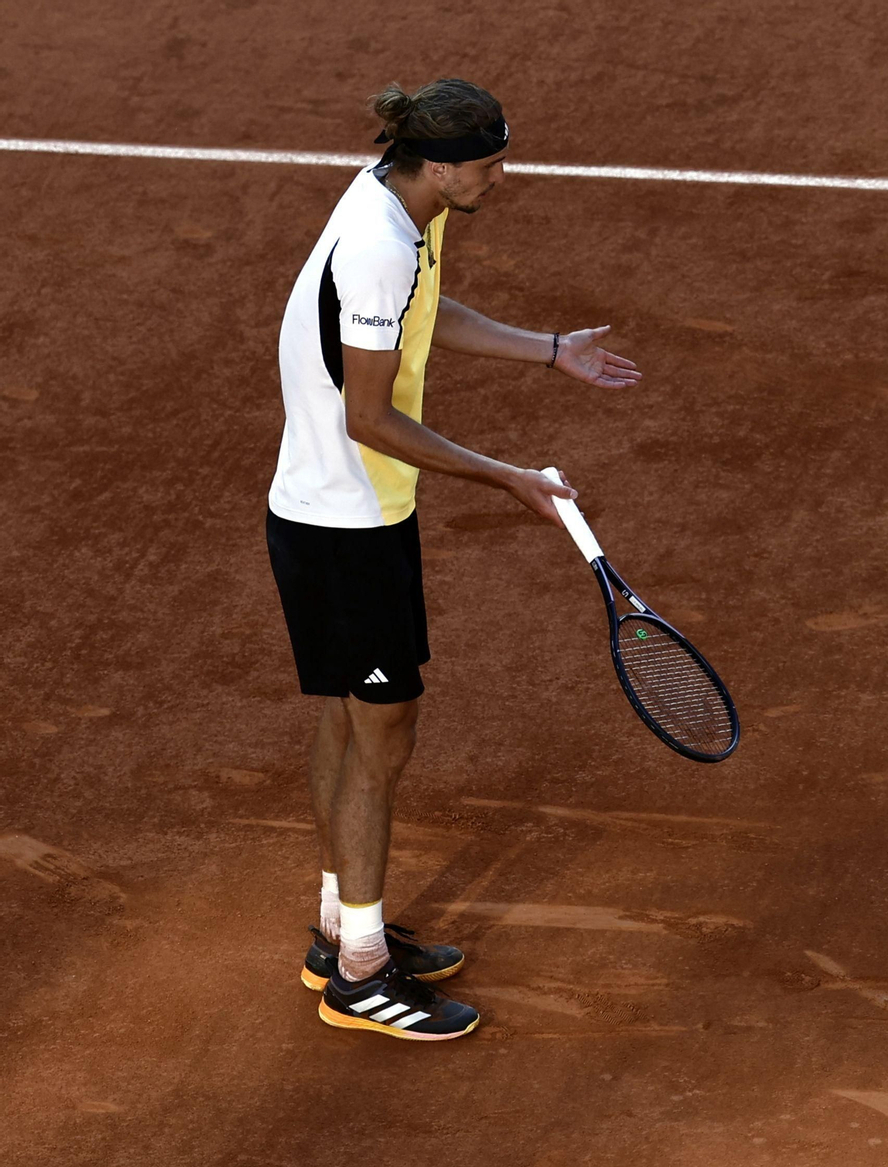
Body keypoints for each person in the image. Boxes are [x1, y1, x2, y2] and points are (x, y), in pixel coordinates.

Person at [266, 78, 641, 1039]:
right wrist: (507, 476)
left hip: (340, 513)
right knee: (381, 737)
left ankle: (339, 926)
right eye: (489, 165)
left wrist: (548, 349)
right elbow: (369, 415)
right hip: (346, 527)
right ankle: (360, 974)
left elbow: (423, 319)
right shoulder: (383, 245)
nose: (499, 178)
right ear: (438, 166)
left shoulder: (401, 209)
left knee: (351, 721)